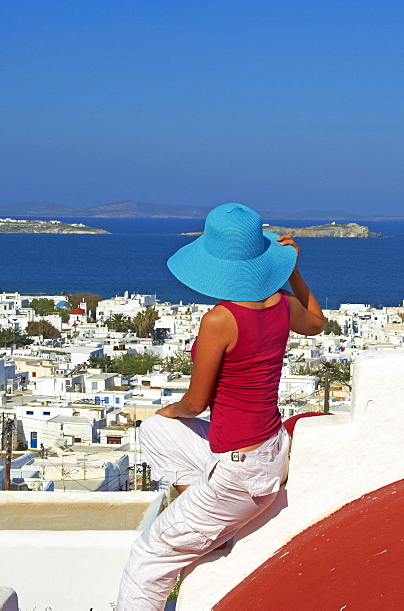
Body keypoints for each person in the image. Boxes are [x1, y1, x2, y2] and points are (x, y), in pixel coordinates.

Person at [117, 203, 324, 609]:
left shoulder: (219, 320)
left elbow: (196, 404)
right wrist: (293, 272)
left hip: (240, 472)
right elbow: (317, 322)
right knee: (154, 431)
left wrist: (172, 409)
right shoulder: (282, 304)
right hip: (269, 449)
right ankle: (214, 525)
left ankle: (213, 525)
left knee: (147, 560)